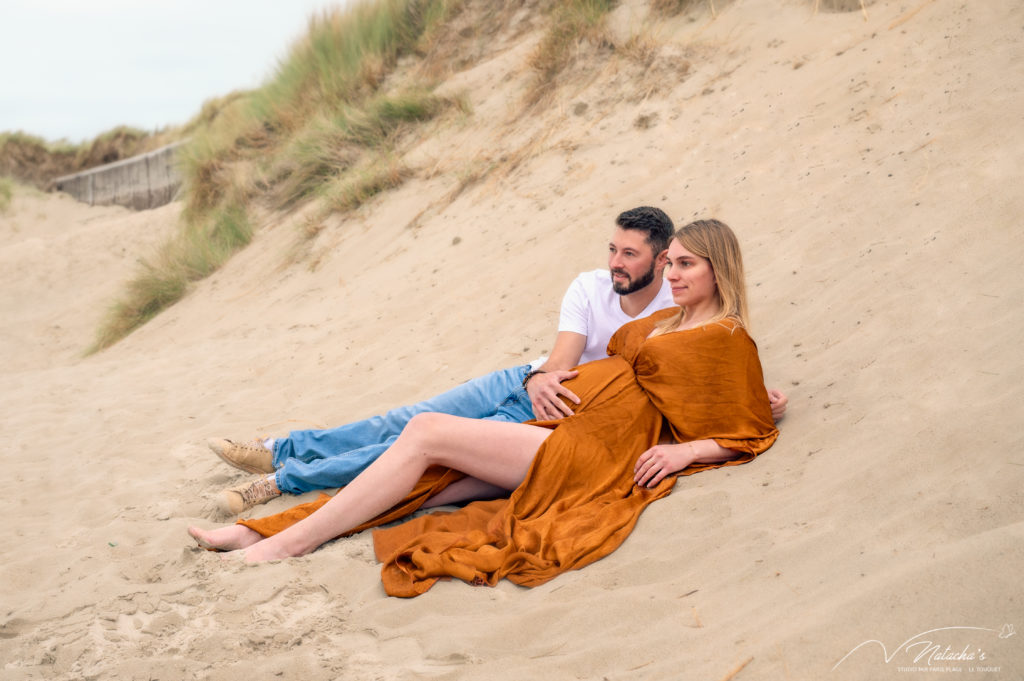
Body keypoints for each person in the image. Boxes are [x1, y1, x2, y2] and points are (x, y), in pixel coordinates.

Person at [189, 218, 781, 598]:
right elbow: (723, 396)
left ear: (717, 270)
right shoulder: (669, 319)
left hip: (591, 453)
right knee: (428, 480)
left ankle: (284, 545)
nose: (673, 274)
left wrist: (688, 453)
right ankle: (256, 531)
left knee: (422, 431)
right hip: (563, 420)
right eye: (671, 262)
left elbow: (744, 428)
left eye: (686, 264)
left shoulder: (726, 337)